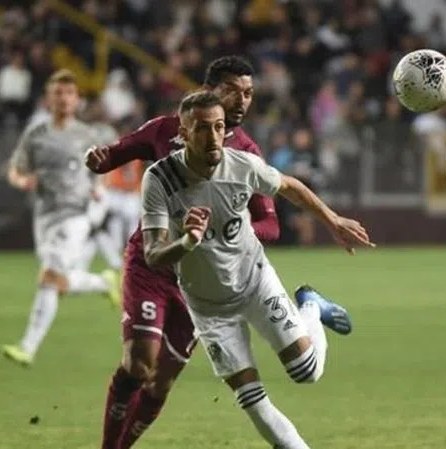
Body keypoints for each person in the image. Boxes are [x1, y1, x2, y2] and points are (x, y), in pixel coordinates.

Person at [84, 56, 340, 449]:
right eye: (233, 91)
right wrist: (100, 158)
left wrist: (221, 238)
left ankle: (310, 308)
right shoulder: (163, 144)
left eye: (249, 94)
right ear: (206, 94)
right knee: (140, 365)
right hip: (162, 269)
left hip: (225, 276)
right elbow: (115, 155)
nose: (242, 101)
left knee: (162, 383)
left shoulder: (246, 157)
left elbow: (271, 221)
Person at [141, 91, 373, 448]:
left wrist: (333, 220)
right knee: (252, 399)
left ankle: (311, 305)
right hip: (208, 307)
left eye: (219, 127)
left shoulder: (242, 166)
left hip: (254, 282)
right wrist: (186, 241)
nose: (213, 136)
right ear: (183, 134)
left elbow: (290, 186)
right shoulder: (160, 179)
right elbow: (153, 254)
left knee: (307, 371)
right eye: (202, 128)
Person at [2, 69, 119, 366]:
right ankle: (102, 282)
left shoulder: (87, 135)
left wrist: (99, 188)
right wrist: (22, 180)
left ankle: (27, 348)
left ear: (77, 99)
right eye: (58, 93)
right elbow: (16, 168)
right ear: (48, 99)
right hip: (45, 216)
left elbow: (105, 169)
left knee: (49, 277)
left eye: (69, 93)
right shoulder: (36, 135)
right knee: (58, 280)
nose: (64, 99)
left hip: (76, 215)